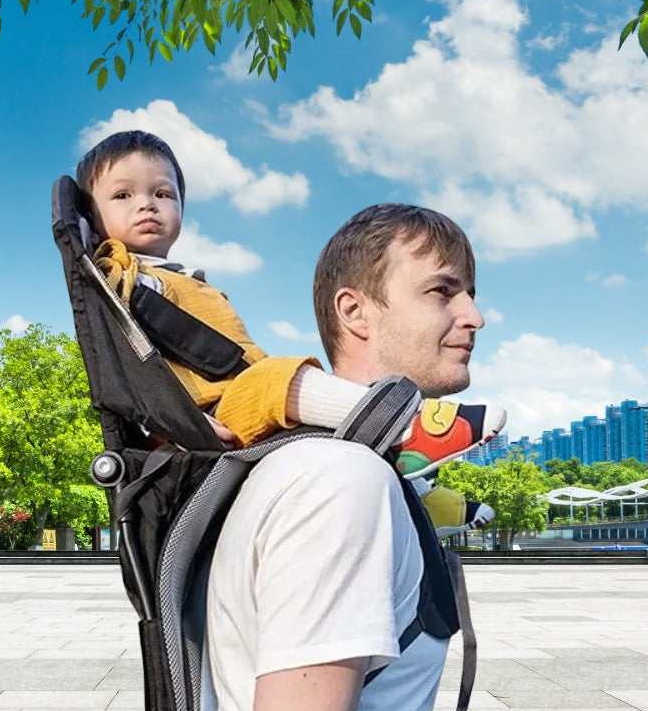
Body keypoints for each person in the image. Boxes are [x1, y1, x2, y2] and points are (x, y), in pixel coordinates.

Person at [152, 202, 485, 711]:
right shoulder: (342, 482)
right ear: (355, 311)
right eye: (442, 291)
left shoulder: (298, 463)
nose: (473, 314)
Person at [75, 132, 503, 524]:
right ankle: (411, 426)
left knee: (307, 416)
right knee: (280, 378)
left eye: (163, 193)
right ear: (94, 221)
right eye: (123, 195)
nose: (147, 204)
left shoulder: (182, 279)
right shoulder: (121, 276)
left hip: (225, 399)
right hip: (208, 412)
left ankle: (415, 489)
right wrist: (176, 424)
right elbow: (131, 368)